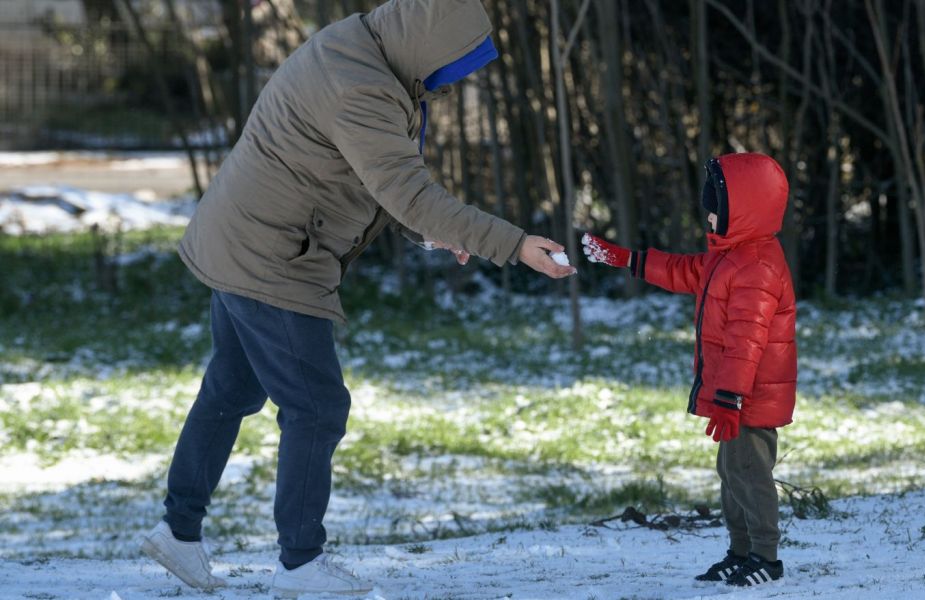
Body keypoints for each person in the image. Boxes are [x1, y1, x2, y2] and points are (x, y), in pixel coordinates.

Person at [139, 0, 575, 596]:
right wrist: (515, 243)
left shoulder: (362, 49)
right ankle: (300, 563)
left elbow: (370, 178)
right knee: (317, 407)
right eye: (454, 66)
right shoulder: (361, 86)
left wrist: (433, 231)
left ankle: (179, 532)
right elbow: (408, 191)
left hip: (241, 237)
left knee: (233, 386)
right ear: (429, 44)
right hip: (274, 256)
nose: (453, 81)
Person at [582, 152, 797, 588]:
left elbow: (746, 340)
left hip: (748, 397)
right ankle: (741, 552)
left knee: (750, 473)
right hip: (735, 396)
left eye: (717, 205)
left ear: (746, 208)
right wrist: (628, 259)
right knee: (731, 472)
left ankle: (765, 558)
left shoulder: (757, 267)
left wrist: (730, 398)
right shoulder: (731, 255)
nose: (710, 214)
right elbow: (684, 271)